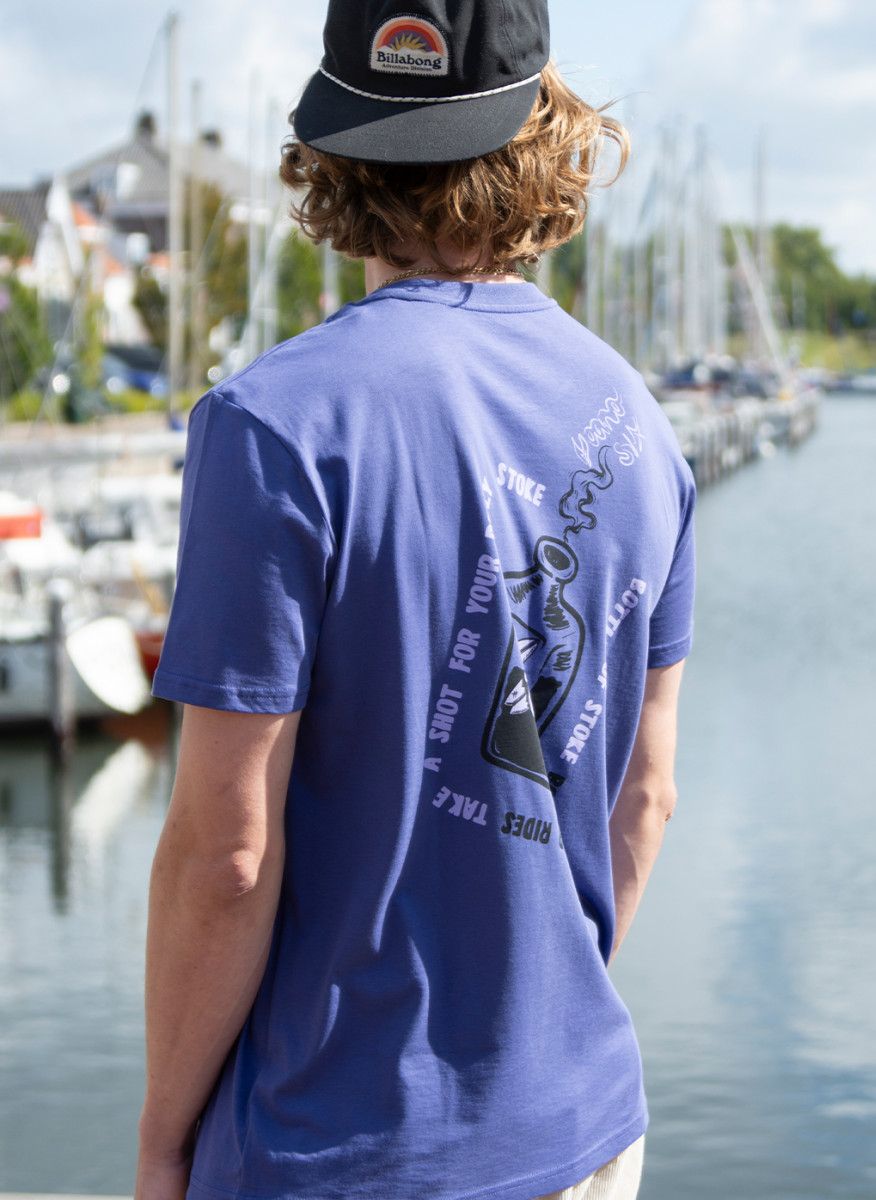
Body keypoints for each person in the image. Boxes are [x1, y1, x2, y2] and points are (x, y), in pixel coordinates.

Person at [135, 2, 695, 1199]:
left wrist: (164, 1139)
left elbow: (228, 856)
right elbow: (644, 799)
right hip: (584, 1129)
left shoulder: (273, 429)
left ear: (335, 147)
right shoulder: (643, 432)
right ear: (543, 131)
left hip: (339, 1149)